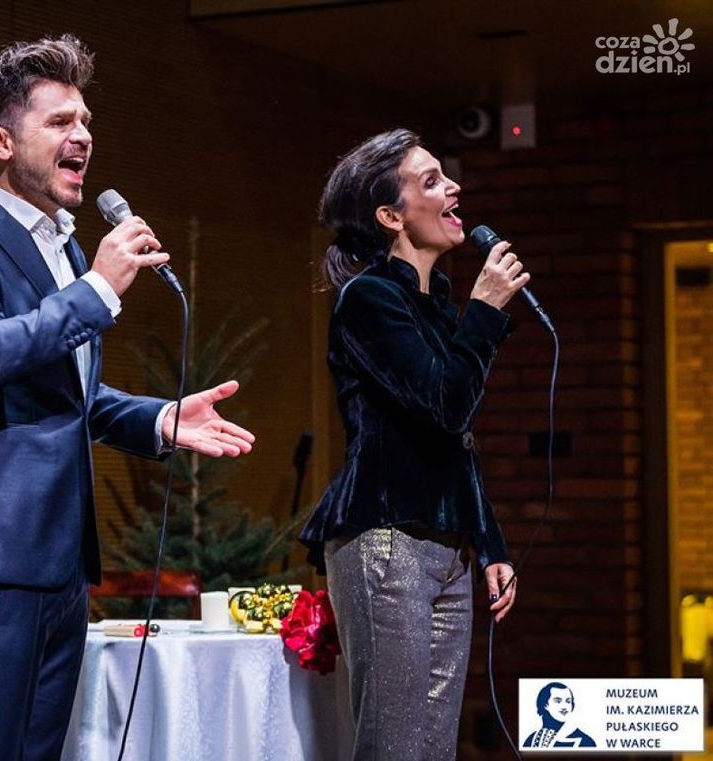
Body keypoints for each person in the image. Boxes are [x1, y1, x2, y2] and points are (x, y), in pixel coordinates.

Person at [0, 35, 255, 760]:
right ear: (1, 140)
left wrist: (160, 417)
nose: (84, 137)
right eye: (61, 121)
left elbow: (74, 395)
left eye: (87, 121)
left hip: (62, 556)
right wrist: (96, 289)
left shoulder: (64, 247)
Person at [299, 128, 523, 760]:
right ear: (391, 217)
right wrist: (484, 312)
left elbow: (454, 440)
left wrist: (489, 542)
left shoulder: (433, 302)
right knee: (395, 747)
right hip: (387, 540)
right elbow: (446, 405)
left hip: (445, 545)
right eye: (431, 181)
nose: (453, 188)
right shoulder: (367, 298)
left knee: (433, 749)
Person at [523, 682, 597, 748]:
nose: (564, 707)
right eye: (558, 701)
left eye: (568, 701)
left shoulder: (585, 741)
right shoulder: (531, 739)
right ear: (545, 705)